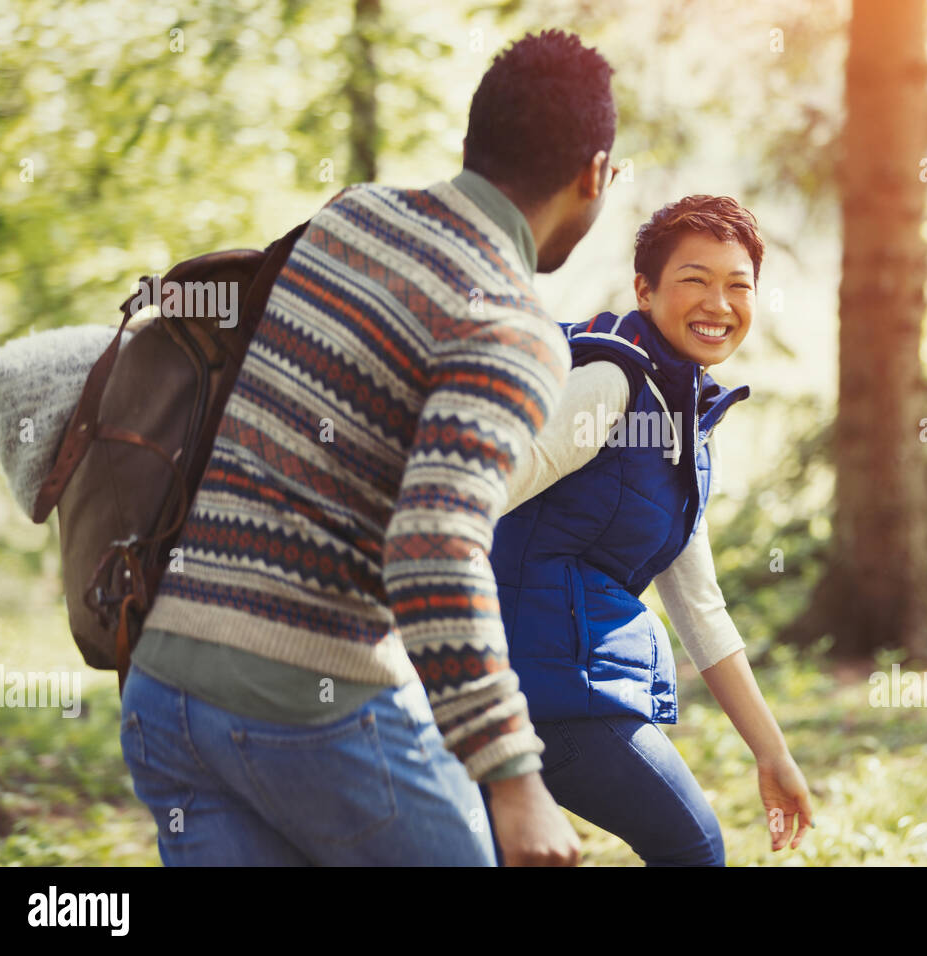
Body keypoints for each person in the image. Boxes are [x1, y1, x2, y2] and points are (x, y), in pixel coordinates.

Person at [118, 29, 619, 866]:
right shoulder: (509, 321)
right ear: (595, 173)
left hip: (166, 692)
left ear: (476, 136)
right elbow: (433, 550)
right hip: (310, 705)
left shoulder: (347, 218)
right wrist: (515, 779)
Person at [484, 195, 813, 865]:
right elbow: (474, 496)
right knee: (690, 846)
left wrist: (772, 752)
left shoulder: (683, 422)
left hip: (562, 686)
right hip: (537, 693)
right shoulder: (609, 383)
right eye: (695, 280)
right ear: (645, 289)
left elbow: (701, 610)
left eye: (737, 286)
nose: (718, 304)